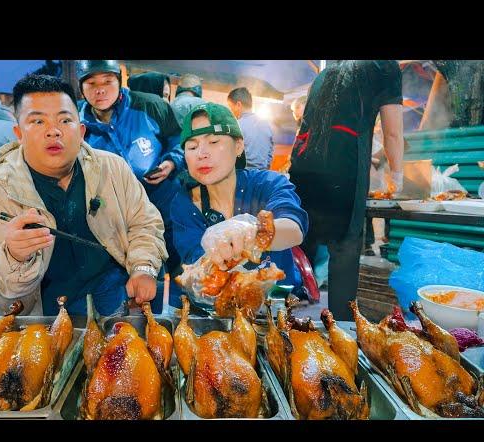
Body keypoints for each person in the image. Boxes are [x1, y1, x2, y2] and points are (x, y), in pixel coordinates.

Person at [0, 74, 167, 317]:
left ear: (81, 130)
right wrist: (13, 257)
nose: (53, 131)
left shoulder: (113, 168)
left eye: (64, 120)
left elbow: (145, 223)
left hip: (116, 298)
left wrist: (143, 267)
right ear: (18, 133)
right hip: (46, 317)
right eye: (38, 122)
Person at [289, 60, 404, 320]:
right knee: (343, 247)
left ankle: (291, 320)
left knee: (303, 240)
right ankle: (340, 329)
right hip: (344, 164)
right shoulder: (385, 67)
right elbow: (393, 134)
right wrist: (397, 178)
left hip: (304, 164)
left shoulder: (326, 73)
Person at [170, 103, 308, 307]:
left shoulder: (267, 184)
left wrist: (252, 232)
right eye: (192, 146)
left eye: (214, 141)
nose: (201, 153)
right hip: (214, 310)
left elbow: (294, 228)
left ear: (238, 146)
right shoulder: (184, 204)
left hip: (274, 308)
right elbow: (197, 266)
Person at [76, 60, 185, 280]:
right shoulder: (77, 125)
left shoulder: (150, 106)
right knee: (136, 275)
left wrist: (172, 162)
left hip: (165, 203)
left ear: (119, 81)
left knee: (178, 272)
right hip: (119, 215)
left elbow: (181, 141)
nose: (100, 90)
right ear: (82, 89)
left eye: (108, 81)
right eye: (91, 83)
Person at [227, 87, 274, 170]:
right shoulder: (266, 124)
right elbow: (270, 152)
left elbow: (231, 154)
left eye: (231, 107)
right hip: (263, 174)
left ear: (238, 105)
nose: (231, 111)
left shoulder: (237, 125)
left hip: (245, 175)